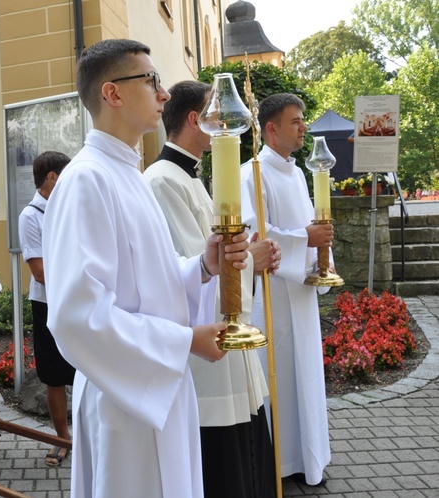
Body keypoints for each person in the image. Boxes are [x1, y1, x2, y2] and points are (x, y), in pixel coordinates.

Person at [42, 39, 250, 497]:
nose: (165, 94)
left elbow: (142, 280)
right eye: (152, 81)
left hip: (154, 388)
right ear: (112, 94)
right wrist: (183, 342)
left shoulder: (127, 173)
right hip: (126, 403)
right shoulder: (87, 180)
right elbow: (77, 316)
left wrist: (201, 266)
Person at [144, 80, 279, 498]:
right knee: (224, 469)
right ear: (194, 119)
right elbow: (190, 270)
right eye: (217, 113)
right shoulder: (162, 181)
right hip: (206, 356)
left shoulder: (191, 177)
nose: (227, 124)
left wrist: (248, 256)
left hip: (227, 345)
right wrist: (246, 262)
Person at [240, 93, 334, 487]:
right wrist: (305, 238)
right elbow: (253, 236)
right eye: (295, 121)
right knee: (279, 377)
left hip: (301, 293)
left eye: (303, 120)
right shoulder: (252, 173)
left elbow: (304, 228)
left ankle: (308, 458)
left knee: (307, 375)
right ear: (271, 129)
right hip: (273, 296)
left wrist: (319, 249)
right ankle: (279, 463)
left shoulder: (297, 172)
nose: (303, 128)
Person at [18, 150, 75, 468]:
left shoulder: (68, 208)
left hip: (76, 300)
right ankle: (61, 440)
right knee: (54, 376)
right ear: (52, 177)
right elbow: (39, 272)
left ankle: (90, 433)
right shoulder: (31, 215)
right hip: (48, 304)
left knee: (86, 371)